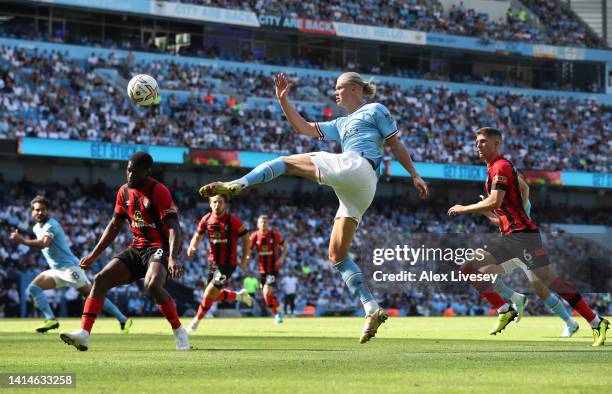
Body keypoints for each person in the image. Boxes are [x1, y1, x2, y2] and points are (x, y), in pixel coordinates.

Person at [199, 72, 429, 343]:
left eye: (339, 87)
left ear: (355, 89)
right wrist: (284, 101)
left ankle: (237, 184)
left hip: (357, 166)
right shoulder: (341, 123)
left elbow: (394, 143)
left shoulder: (374, 110)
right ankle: (371, 307)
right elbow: (305, 128)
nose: (336, 92)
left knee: (284, 162)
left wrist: (414, 173)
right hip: (359, 190)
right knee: (337, 255)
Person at [448, 127, 608, 346]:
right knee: (468, 267)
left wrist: (463, 208)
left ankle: (595, 321)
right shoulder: (494, 168)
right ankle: (505, 309)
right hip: (510, 237)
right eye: (476, 142)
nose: (478, 146)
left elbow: (495, 201)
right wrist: (493, 213)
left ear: (496, 144)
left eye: (483, 142)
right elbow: (503, 203)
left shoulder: (501, 166)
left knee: (551, 282)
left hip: (523, 237)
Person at [59, 152, 189, 351]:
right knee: (101, 279)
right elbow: (114, 226)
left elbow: (174, 227)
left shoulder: (158, 191)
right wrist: (94, 254)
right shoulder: (123, 192)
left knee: (152, 284)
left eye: (135, 173)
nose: (130, 176)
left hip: (160, 247)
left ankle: (179, 331)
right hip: (138, 247)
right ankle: (84, 334)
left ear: (147, 172)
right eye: (128, 171)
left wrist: (172, 258)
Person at [10, 195, 131, 333]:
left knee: (92, 295)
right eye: (37, 210)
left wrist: (22, 241)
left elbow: (44, 244)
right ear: (32, 212)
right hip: (56, 270)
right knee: (34, 288)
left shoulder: (52, 225)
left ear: (47, 210)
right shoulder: (36, 228)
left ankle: (123, 319)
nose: (40, 212)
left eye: (43, 209)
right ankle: (51, 319)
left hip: (70, 268)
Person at [480, 170, 579, 337]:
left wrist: (486, 212)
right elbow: (502, 223)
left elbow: (506, 221)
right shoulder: (506, 202)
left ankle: (571, 323)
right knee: (484, 273)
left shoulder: (521, 202)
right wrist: (488, 210)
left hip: (526, 249)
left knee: (542, 291)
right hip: (512, 250)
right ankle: (516, 298)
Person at [185, 195, 252, 333]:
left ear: (225, 204)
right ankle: (239, 296)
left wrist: (245, 259)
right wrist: (192, 246)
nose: (217, 204)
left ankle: (195, 322)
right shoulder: (206, 219)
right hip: (213, 263)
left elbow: (246, 238)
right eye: (214, 202)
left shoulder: (233, 221)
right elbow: (197, 236)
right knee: (211, 296)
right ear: (210, 204)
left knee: (209, 292)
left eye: (220, 202)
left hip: (228, 264)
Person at [247, 215, 288, 323]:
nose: (263, 224)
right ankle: (277, 314)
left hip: (273, 269)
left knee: (266, 291)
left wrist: (281, 258)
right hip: (262, 270)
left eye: (265, 222)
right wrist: (246, 258)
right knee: (267, 295)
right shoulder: (254, 236)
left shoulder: (274, 235)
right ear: (257, 224)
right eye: (261, 222)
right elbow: (249, 250)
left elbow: (285, 247)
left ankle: (278, 315)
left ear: (268, 224)